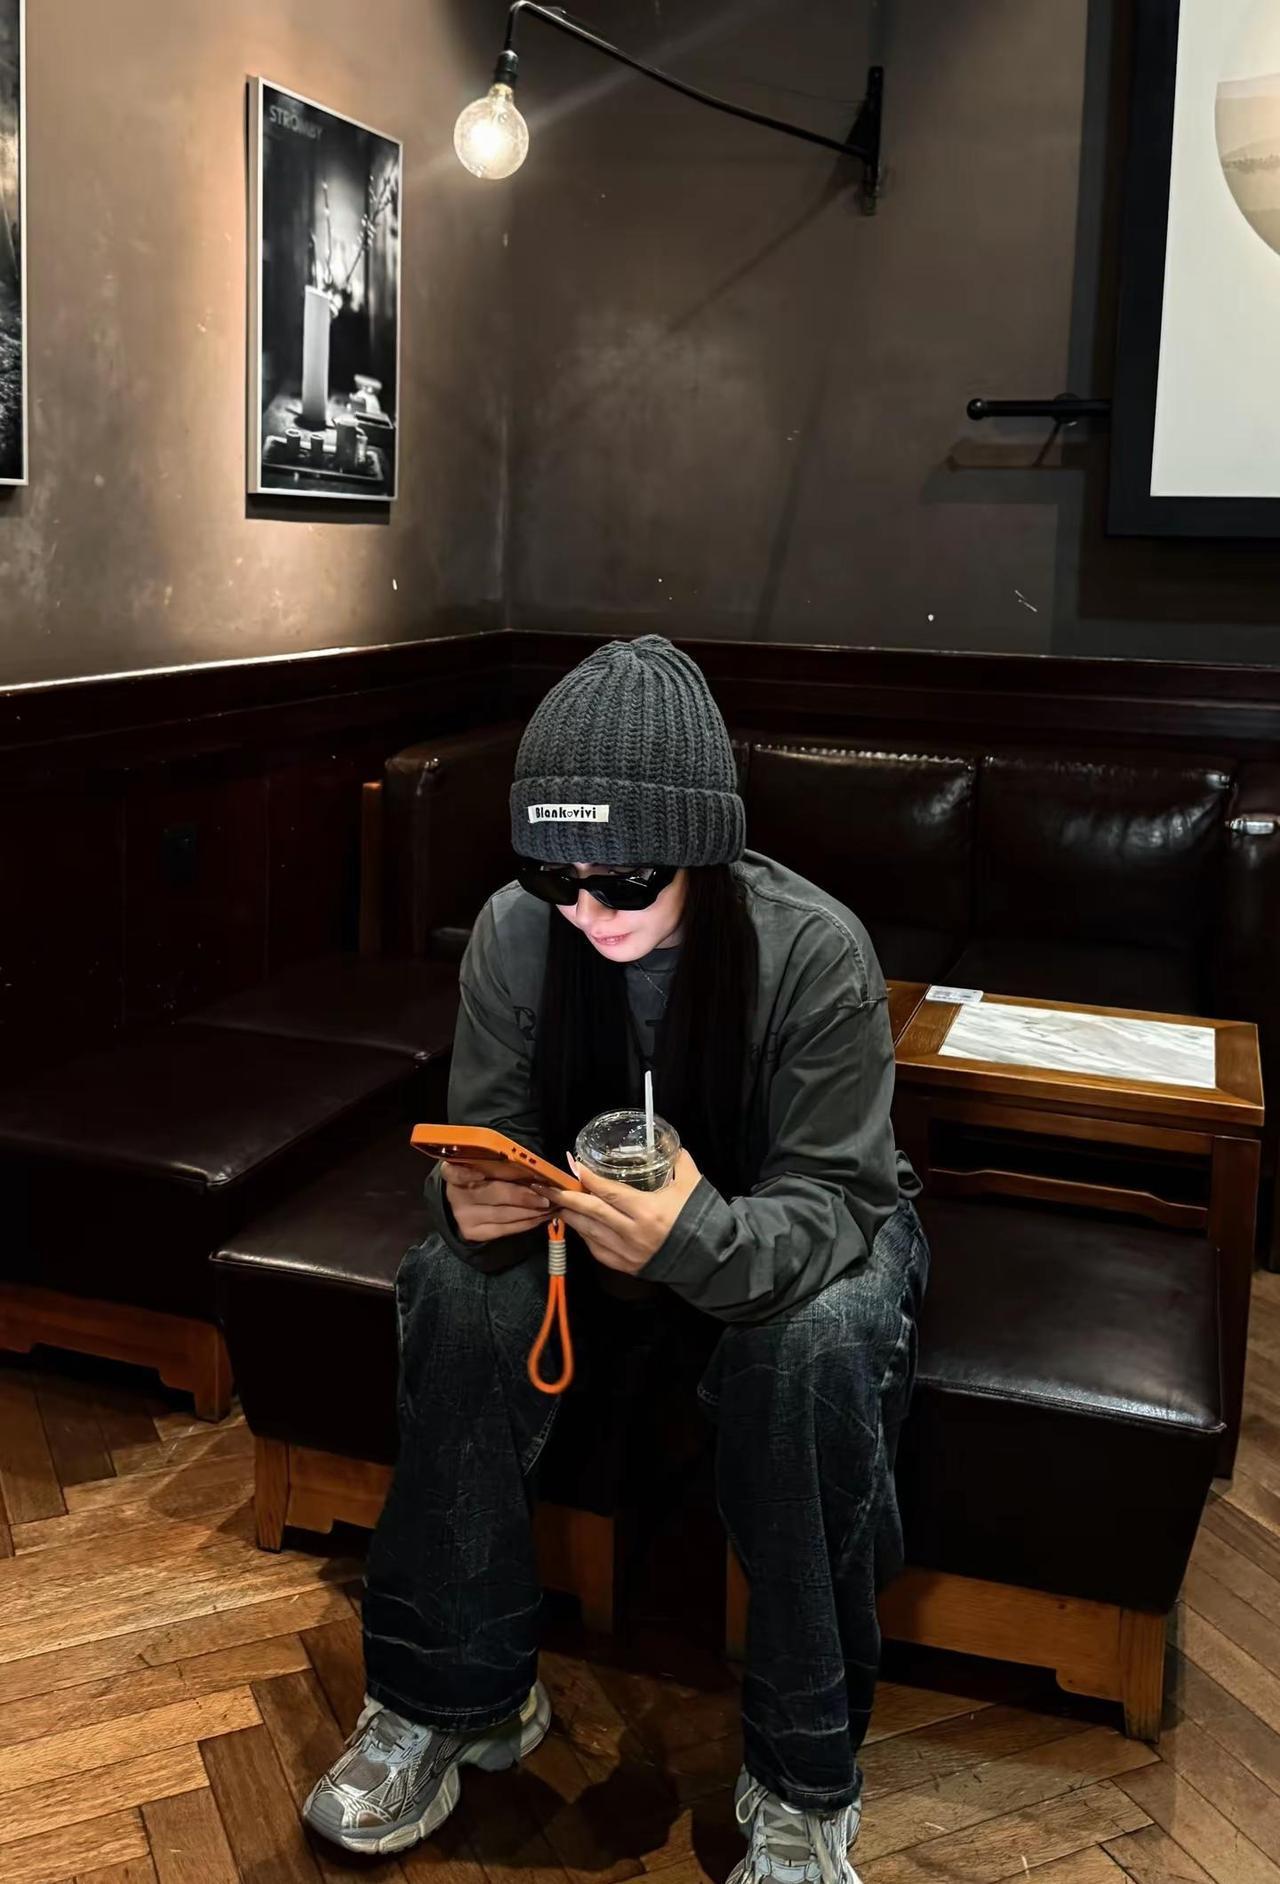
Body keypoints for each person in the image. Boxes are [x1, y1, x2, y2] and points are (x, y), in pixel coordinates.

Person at [304, 636, 928, 1883]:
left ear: (698, 851)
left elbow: (835, 1197)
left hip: (793, 1224)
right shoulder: (514, 932)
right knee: (450, 1290)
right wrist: (465, 1200)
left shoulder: (814, 950)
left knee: (810, 1350)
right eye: (555, 877)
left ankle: (801, 1780)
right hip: (582, 1226)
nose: (586, 912)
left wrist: (693, 1236)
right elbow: (487, 1133)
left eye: (623, 883)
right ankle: (450, 1699)